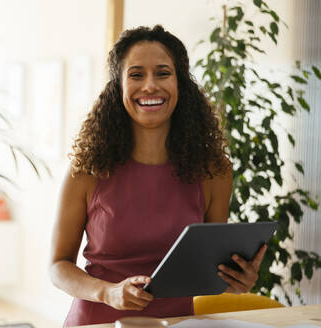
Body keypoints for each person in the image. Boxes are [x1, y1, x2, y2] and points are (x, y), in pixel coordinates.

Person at [49, 25, 267, 327]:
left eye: (163, 73)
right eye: (136, 74)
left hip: (177, 324)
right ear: (119, 86)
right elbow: (58, 266)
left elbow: (209, 267)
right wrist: (108, 292)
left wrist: (236, 279)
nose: (150, 86)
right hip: (98, 322)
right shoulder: (86, 169)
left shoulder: (214, 171)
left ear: (180, 84)